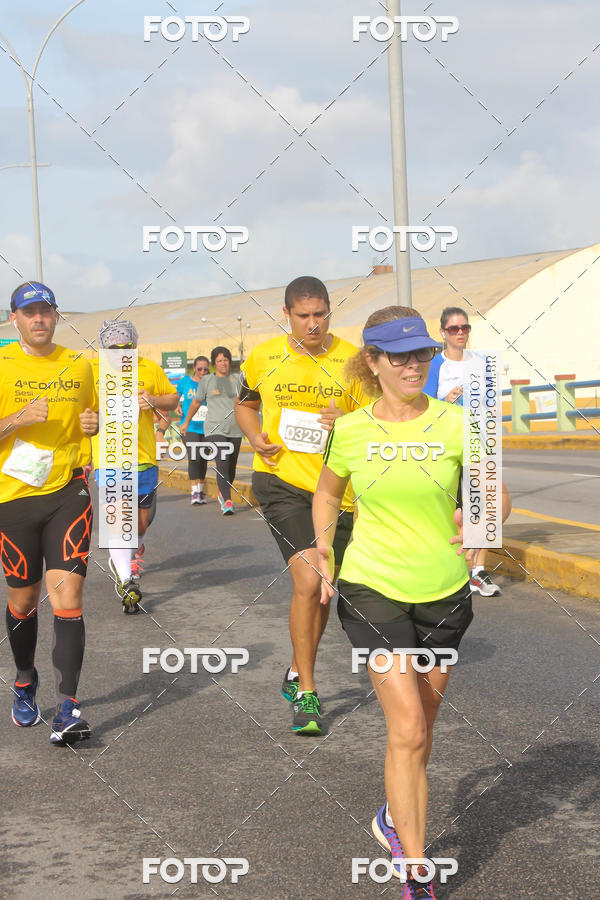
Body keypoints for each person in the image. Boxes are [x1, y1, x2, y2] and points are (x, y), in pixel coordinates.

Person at [313, 306, 511, 896]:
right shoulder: (349, 430)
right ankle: (416, 869)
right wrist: (322, 551)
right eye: (398, 356)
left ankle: (391, 816)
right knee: (406, 727)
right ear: (372, 363)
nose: (412, 365)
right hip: (372, 587)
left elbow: (495, 494)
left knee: (422, 727)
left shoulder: (459, 423)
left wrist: (482, 524)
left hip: (445, 591)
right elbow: (326, 496)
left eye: (421, 353)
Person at [234, 275, 368, 735]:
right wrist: (255, 438)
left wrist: (347, 420)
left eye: (321, 314)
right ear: (287, 315)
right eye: (304, 316)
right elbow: (245, 405)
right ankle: (308, 692)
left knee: (323, 587)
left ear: (330, 311)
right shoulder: (264, 356)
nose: (313, 324)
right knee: (309, 579)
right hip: (282, 482)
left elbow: (376, 422)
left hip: (337, 491)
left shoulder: (352, 360)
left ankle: (295, 668)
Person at [0, 282, 98, 744]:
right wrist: (16, 420)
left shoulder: (79, 365)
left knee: (68, 595)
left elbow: (99, 416)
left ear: (56, 317)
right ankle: (24, 677)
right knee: (23, 599)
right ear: (14, 319)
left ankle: (68, 707)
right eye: (29, 312)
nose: (39, 319)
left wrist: (95, 424)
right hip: (13, 497)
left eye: (46, 311)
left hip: (68, 489)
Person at [92, 320, 178, 611]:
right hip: (109, 458)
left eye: (127, 347)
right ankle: (127, 580)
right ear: (104, 348)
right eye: (114, 348)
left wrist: (153, 400)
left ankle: (125, 554)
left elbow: (173, 399)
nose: (121, 352)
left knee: (141, 522)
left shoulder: (149, 368)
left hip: (143, 459)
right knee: (119, 523)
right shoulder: (91, 372)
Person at [423, 307, 501, 598]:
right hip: (446, 444)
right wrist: (447, 399)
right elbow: (426, 404)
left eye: (464, 328)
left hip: (479, 440)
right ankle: (450, 569)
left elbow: (491, 401)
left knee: (485, 502)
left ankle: (478, 572)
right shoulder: (435, 365)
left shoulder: (483, 362)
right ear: (443, 332)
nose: (460, 333)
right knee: (450, 509)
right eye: (453, 328)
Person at [181, 346, 243, 516]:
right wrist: (186, 422)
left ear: (229, 361)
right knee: (222, 462)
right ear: (214, 364)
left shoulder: (237, 379)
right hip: (214, 429)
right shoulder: (207, 381)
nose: (223, 363)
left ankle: (223, 493)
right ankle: (227, 501)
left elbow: (247, 403)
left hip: (235, 429)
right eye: (219, 360)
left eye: (226, 359)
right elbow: (195, 403)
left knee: (231, 467)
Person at [177, 355, 209, 505]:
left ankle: (201, 490)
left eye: (206, 369)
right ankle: (194, 492)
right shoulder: (185, 382)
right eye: (200, 369)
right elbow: (174, 397)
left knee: (203, 458)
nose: (203, 371)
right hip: (188, 426)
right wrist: (176, 406)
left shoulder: (211, 383)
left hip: (207, 427)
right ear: (194, 369)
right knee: (194, 456)